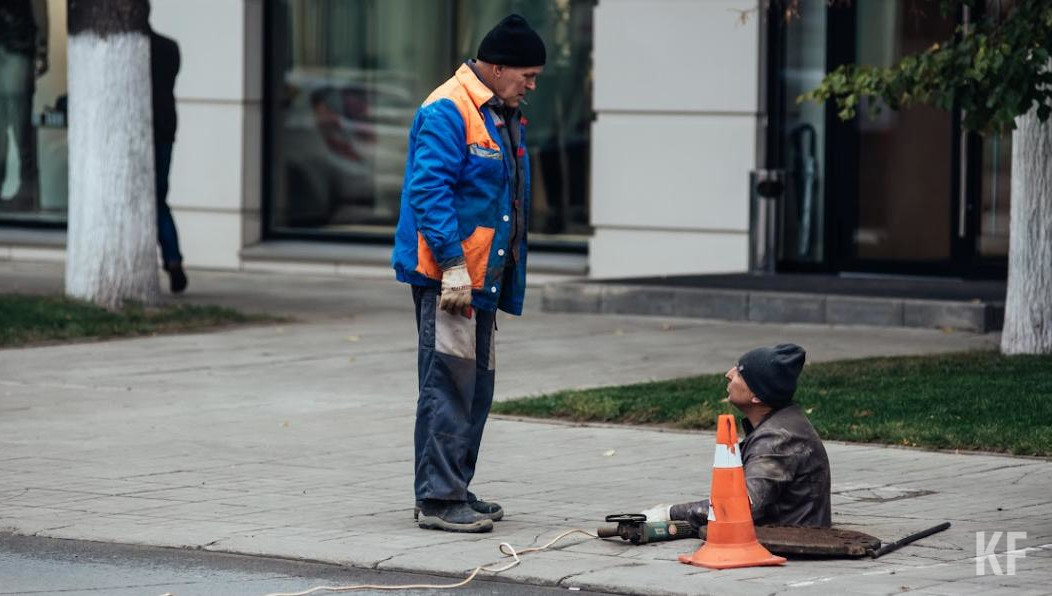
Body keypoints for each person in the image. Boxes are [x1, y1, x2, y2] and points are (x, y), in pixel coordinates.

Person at [391, 14, 545, 533]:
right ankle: (438, 499)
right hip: (450, 278)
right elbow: (428, 192)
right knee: (449, 385)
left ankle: (451, 486)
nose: (532, 84)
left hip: (481, 277)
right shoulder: (448, 108)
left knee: (475, 387)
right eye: (526, 74)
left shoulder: (501, 111)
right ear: (496, 66)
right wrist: (454, 266)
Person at [643, 344, 832, 529]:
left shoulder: (777, 439)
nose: (729, 374)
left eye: (740, 374)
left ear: (757, 396)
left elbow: (739, 507)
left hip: (791, 545)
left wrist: (669, 513)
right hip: (787, 534)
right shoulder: (784, 423)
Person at [148, 8, 187, 293]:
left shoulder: (138, 50)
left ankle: (171, 260)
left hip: (146, 130)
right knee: (159, 199)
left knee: (149, 200)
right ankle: (172, 259)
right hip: (165, 130)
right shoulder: (169, 47)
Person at [0, 0, 47, 210]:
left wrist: (41, 50)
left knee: (20, 126)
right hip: (14, 44)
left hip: (17, 45)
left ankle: (27, 190)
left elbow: (39, 9)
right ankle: (25, 190)